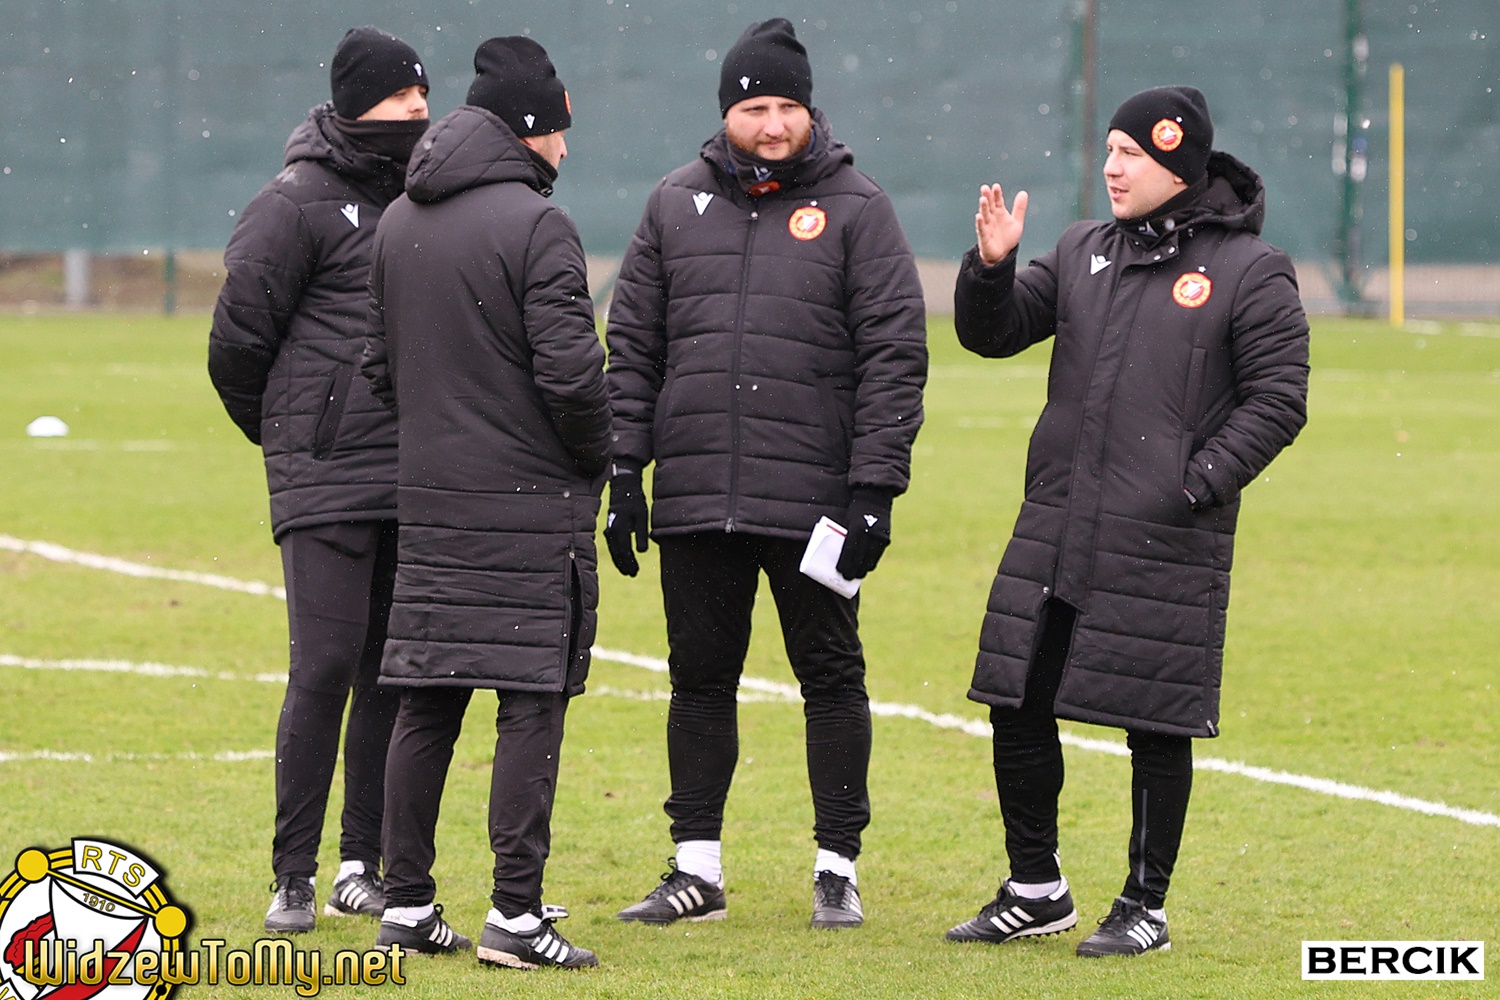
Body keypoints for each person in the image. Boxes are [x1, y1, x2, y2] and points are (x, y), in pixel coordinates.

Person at [942, 86, 1309, 957]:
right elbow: (994, 335)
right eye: (1108, 149)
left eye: (1131, 154)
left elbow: (1278, 400)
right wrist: (991, 269)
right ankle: (1036, 887)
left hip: (1162, 535)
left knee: (1155, 719)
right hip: (1057, 526)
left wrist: (1192, 486)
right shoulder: (1081, 250)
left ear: (1177, 166)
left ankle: (1145, 905)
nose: (1111, 167)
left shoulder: (1251, 269)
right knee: (1016, 701)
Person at [604, 18, 927, 930]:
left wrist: (874, 494)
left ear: (811, 111)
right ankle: (695, 869)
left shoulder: (859, 208)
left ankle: (837, 867)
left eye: (788, 107)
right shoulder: (673, 203)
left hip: (814, 500)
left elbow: (894, 357)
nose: (773, 125)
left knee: (831, 679)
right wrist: (624, 471)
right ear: (726, 113)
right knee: (699, 680)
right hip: (697, 495)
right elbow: (632, 347)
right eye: (755, 108)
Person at [360, 36, 610, 971]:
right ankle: (516, 914)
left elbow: (378, 368)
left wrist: (443, 438)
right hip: (530, 508)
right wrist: (596, 458)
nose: (566, 149)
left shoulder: (397, 220)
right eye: (560, 131)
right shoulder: (539, 226)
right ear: (529, 127)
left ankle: (407, 904)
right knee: (530, 702)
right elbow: (573, 377)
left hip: (430, 502)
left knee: (426, 703)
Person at [207, 26, 430, 934]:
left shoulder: (424, 198)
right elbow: (236, 348)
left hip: (414, 476)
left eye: (424, 97)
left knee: (391, 673)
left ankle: (359, 868)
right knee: (326, 667)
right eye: (403, 99)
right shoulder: (292, 203)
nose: (419, 112)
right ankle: (292, 875)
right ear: (357, 104)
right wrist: (299, 441)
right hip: (327, 477)